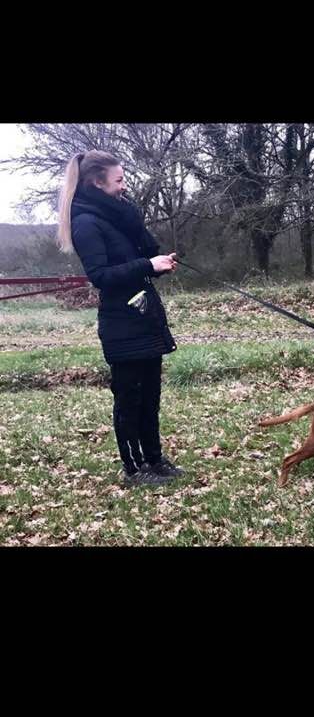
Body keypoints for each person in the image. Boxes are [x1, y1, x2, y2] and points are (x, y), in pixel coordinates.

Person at [57, 149, 185, 487]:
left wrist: (157, 260)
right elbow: (101, 275)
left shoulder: (118, 216)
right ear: (98, 183)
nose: (125, 185)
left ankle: (155, 460)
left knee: (150, 396)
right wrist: (147, 265)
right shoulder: (85, 221)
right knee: (129, 399)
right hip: (120, 323)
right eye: (119, 180)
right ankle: (134, 469)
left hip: (143, 315)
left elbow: (142, 252)